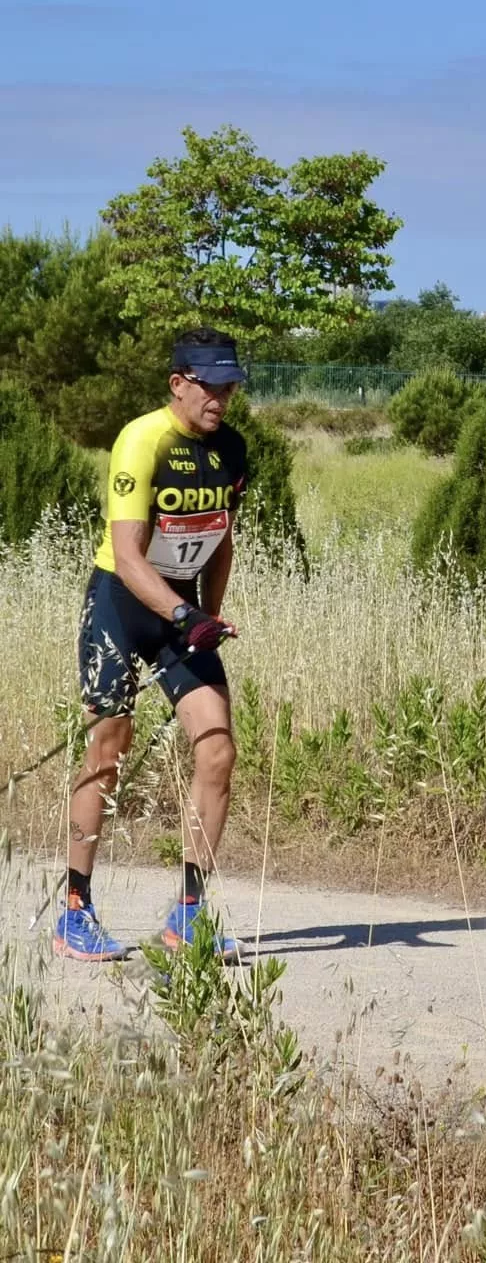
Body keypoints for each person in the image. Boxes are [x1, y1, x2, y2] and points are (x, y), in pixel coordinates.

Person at [55, 330, 249, 962]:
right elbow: (131, 556)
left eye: (229, 385)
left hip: (182, 614)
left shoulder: (231, 448)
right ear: (178, 383)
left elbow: (220, 539)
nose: (221, 396)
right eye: (210, 384)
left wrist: (208, 618)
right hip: (120, 601)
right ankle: (74, 910)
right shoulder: (143, 438)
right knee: (108, 751)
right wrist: (182, 610)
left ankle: (188, 915)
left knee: (217, 749)